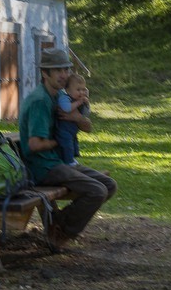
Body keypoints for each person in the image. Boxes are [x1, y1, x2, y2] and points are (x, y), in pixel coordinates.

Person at [20, 47, 116, 249]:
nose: (64, 74)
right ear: (45, 73)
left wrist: (77, 118)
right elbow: (34, 145)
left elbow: (87, 127)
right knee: (97, 191)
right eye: (58, 70)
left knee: (108, 185)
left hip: (59, 160)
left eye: (65, 69)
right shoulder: (40, 101)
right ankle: (62, 231)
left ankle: (59, 222)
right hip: (42, 167)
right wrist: (60, 141)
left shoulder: (60, 96)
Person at [55, 71, 91, 166]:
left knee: (74, 145)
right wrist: (79, 103)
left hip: (73, 131)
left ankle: (72, 159)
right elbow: (66, 108)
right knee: (67, 146)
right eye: (78, 90)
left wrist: (87, 104)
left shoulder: (79, 100)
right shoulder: (65, 98)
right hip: (64, 130)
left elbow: (86, 115)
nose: (81, 92)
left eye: (83, 90)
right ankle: (69, 162)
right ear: (68, 90)